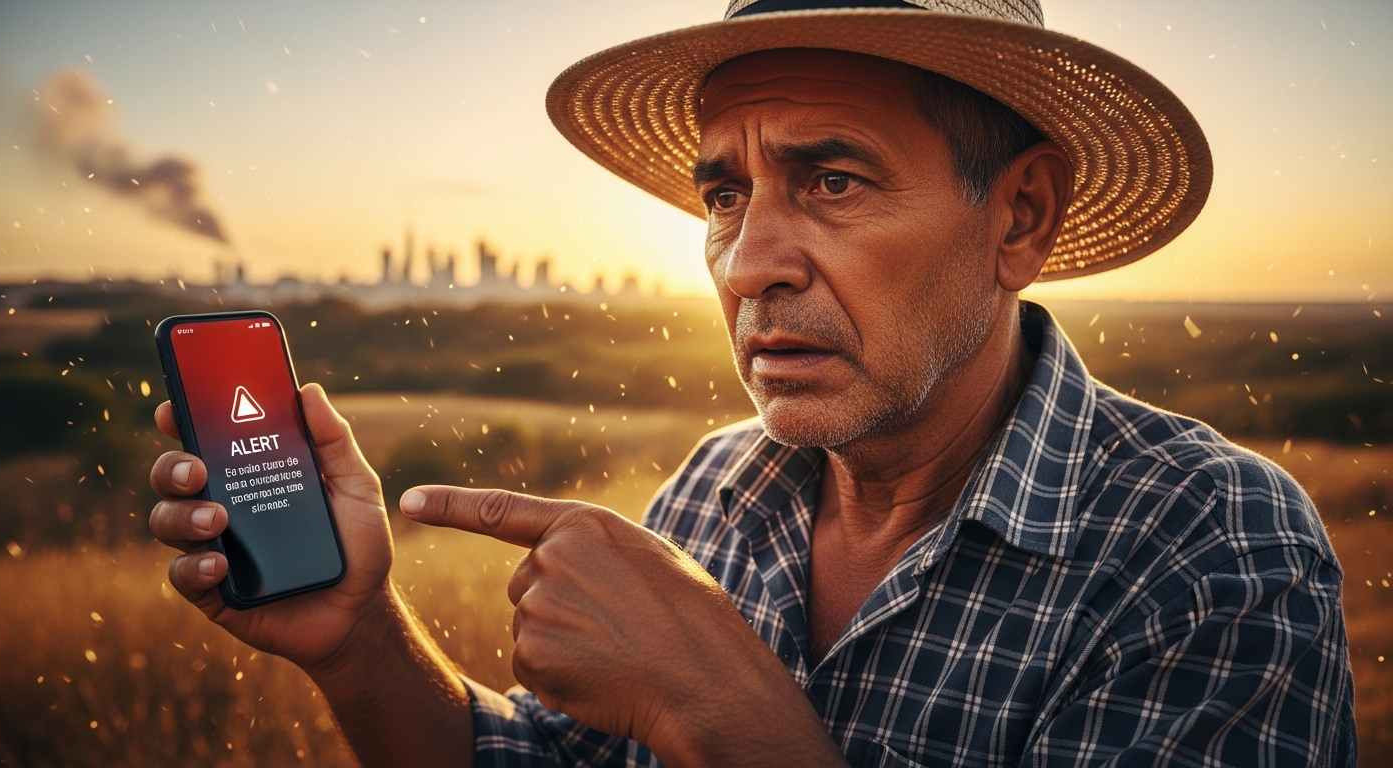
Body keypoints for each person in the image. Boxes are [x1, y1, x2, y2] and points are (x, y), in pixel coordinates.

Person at [148, 1, 1357, 765]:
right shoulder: (720, 488)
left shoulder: (1206, 548)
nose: (745, 264)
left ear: (1020, 215)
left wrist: (715, 711)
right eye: (724, 195)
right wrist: (361, 642)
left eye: (832, 181)